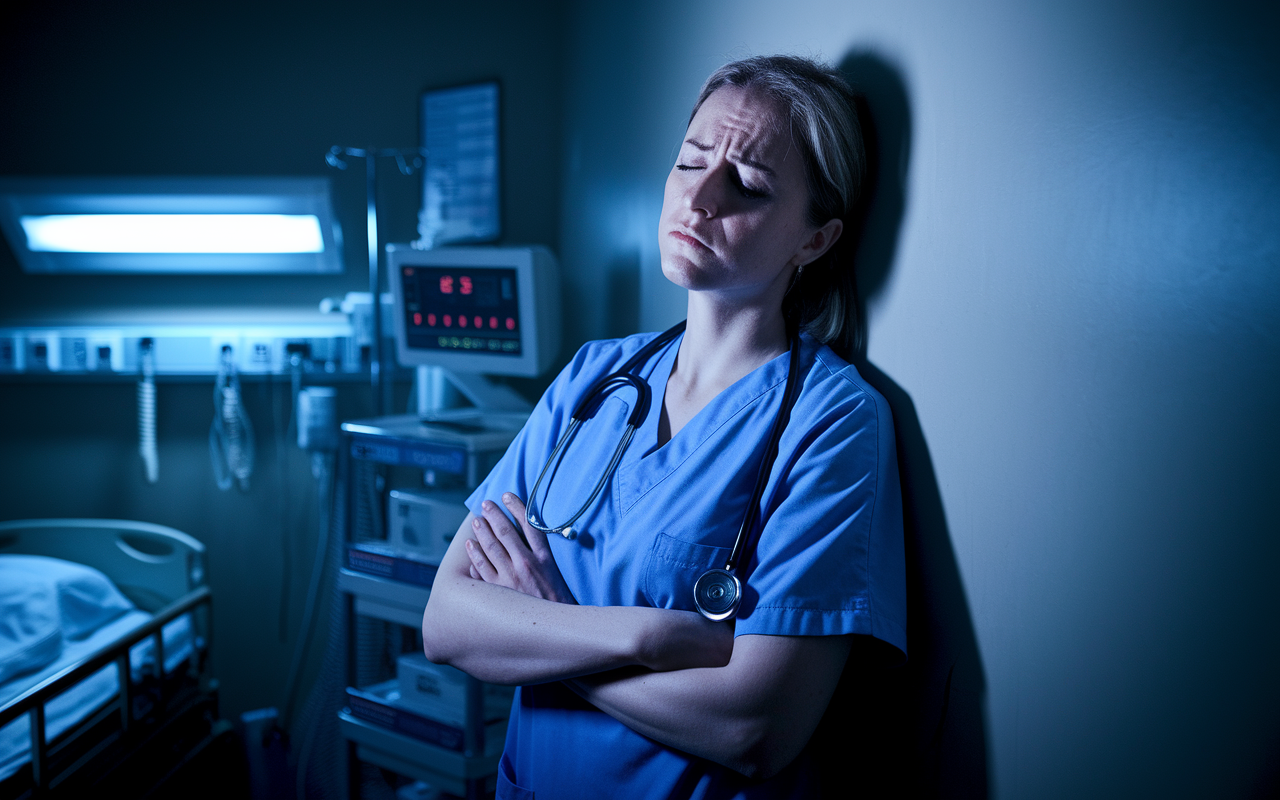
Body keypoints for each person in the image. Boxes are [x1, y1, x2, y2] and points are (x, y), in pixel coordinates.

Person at [421, 55, 906, 799]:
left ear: (814, 240)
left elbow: (754, 729)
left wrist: (543, 631)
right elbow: (448, 624)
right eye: (690, 162)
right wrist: (649, 637)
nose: (699, 197)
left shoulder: (832, 423)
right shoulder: (594, 380)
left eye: (745, 184)